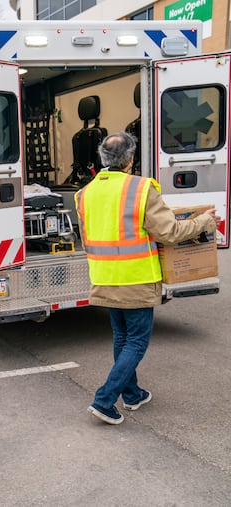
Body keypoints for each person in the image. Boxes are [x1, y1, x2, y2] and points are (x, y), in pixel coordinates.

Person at [75, 132, 220, 425]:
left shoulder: (85, 193)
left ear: (103, 159)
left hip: (104, 275)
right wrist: (205, 221)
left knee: (122, 337)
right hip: (136, 276)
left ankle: (132, 394)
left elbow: (86, 237)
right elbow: (170, 232)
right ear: (130, 159)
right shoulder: (141, 189)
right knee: (137, 342)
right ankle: (104, 399)